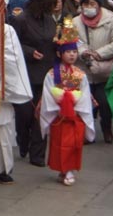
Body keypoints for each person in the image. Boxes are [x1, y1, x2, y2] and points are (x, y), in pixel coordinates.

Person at [0, 0, 32, 184]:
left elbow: (12, 58)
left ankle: (2, 169)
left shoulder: (6, 30)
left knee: (2, 128)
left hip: (0, 86)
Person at [40, 19, 95, 186]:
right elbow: (48, 93)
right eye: (68, 52)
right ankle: (62, 170)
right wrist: (60, 104)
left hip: (75, 115)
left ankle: (70, 170)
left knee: (74, 144)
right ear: (59, 54)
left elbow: (85, 94)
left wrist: (75, 104)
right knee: (58, 144)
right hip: (58, 115)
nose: (72, 55)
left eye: (74, 52)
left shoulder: (80, 74)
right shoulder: (51, 74)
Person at [10, 0, 58, 167]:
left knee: (41, 114)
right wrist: (29, 51)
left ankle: (37, 154)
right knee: (25, 114)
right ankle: (23, 139)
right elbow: (13, 44)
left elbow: (52, 39)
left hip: (46, 73)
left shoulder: (49, 20)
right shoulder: (21, 19)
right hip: (26, 73)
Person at [72, 0, 113, 144]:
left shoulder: (112, 20)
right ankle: (87, 133)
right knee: (84, 104)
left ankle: (106, 129)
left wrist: (98, 54)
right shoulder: (75, 22)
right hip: (83, 71)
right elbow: (72, 42)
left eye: (92, 3)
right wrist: (83, 52)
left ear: (99, 5)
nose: (89, 6)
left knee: (105, 104)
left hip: (104, 70)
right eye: (86, 3)